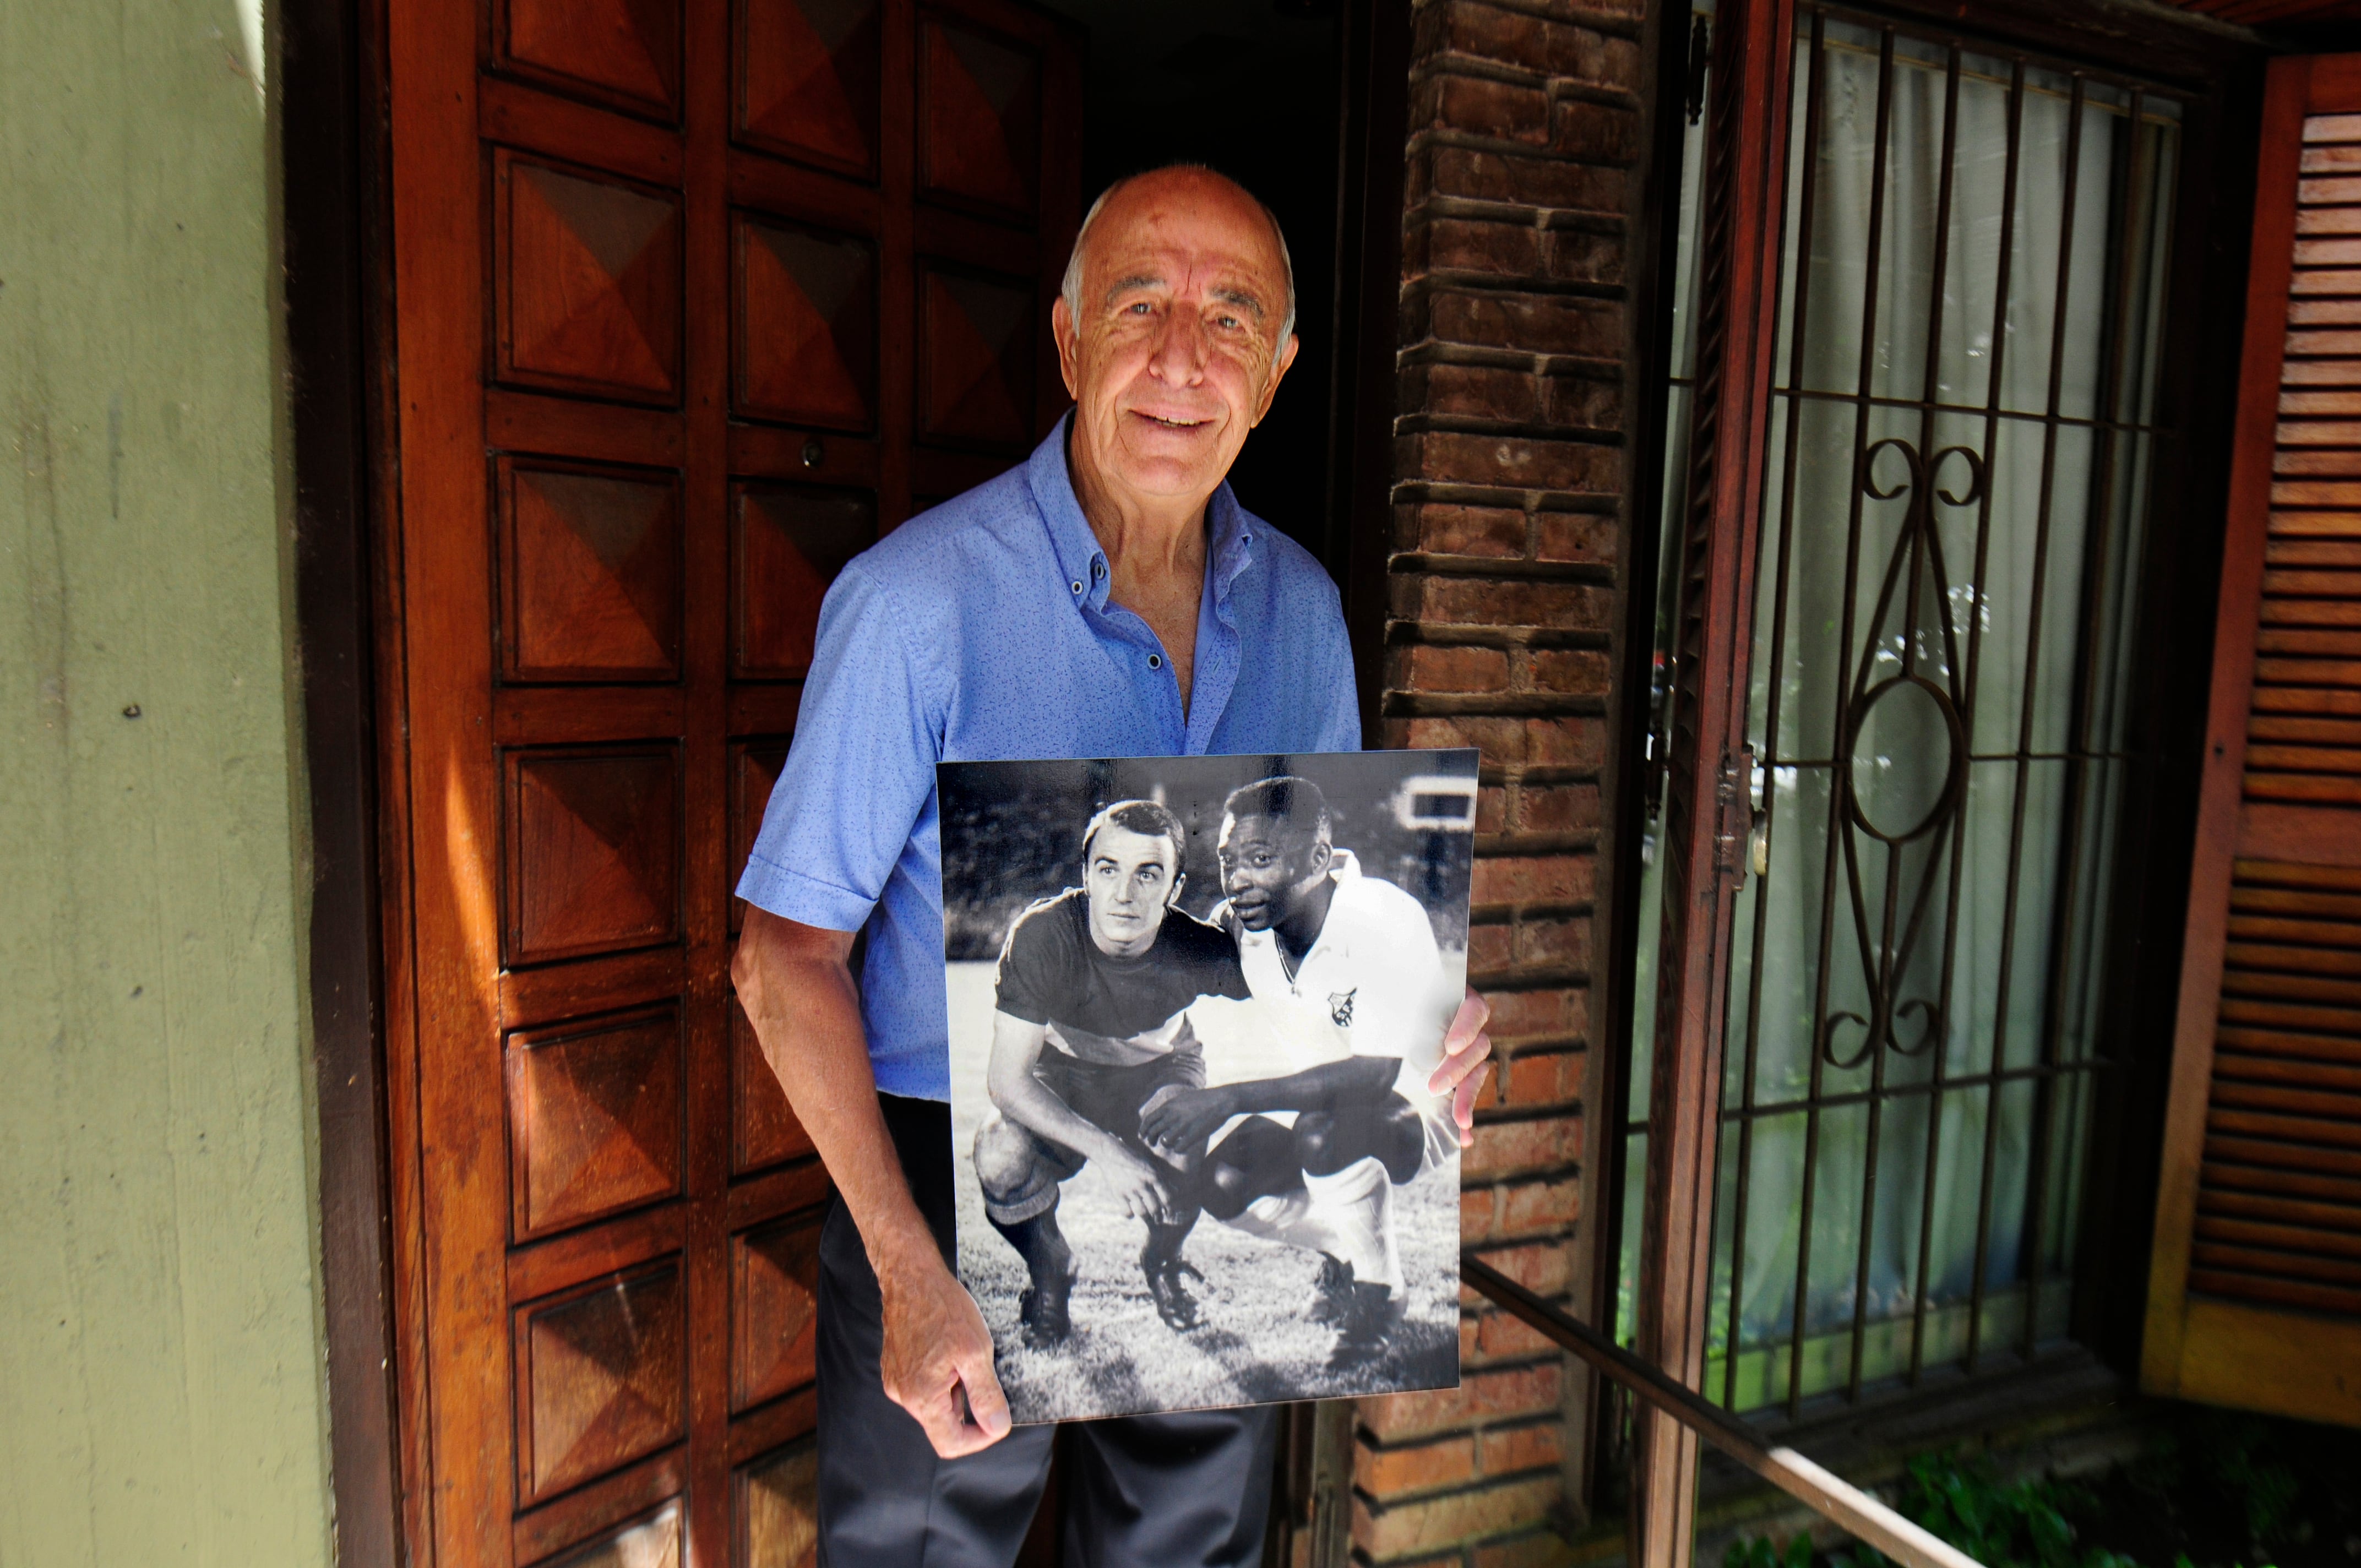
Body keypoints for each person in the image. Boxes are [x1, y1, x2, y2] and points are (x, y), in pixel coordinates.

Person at [730, 162, 1492, 1567]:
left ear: (1275, 373)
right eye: (1140, 302)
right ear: (1071, 340)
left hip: (1201, 1111)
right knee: (922, 1553)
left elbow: (1310, 933)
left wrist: (1424, 1027)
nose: (1180, 358)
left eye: (1229, 318)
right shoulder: (915, 605)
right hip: (949, 1158)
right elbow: (779, 956)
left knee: (1186, 1550)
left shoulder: (1307, 614)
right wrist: (905, 1258)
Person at [1139, 775, 1461, 1366]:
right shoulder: (1248, 928)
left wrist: (1228, 1098)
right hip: (1330, 1108)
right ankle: (1345, 1252)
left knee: (1321, 1131)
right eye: (1228, 860)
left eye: (1260, 860)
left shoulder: (1381, 918)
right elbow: (1162, 969)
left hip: (1429, 1110)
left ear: (1318, 858)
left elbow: (1374, 1076)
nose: (1238, 879)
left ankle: (1379, 1289)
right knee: (1227, 1182)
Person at [972, 798, 1249, 1345]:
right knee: (999, 1153)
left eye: (1148, 874)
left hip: (1157, 1072)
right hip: (1062, 1078)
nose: (1125, 893)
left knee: (1183, 1132)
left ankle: (1162, 1261)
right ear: (1086, 875)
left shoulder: (1197, 948)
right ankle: (1050, 1269)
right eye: (1109, 869)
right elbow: (1007, 1082)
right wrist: (1108, 1151)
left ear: (1174, 887)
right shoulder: (1044, 935)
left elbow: (1296, 979)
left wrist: (1249, 924)